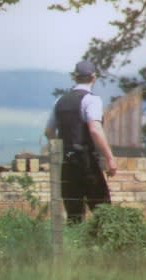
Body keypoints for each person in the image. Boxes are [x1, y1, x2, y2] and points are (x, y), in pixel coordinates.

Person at [44, 60, 117, 224]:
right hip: (86, 161)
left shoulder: (59, 102)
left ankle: (75, 247)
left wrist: (63, 148)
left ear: (74, 78)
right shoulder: (92, 100)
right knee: (103, 211)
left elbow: (48, 132)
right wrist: (110, 158)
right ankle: (105, 246)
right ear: (93, 77)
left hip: (67, 162)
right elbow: (95, 130)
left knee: (74, 214)